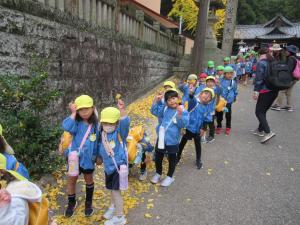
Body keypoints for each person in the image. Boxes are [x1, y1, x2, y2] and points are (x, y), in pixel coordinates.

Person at [62, 95, 99, 217]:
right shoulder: (76, 123)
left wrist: (99, 156)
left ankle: (88, 203)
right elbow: (66, 127)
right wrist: (73, 113)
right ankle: (71, 203)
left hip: (88, 159)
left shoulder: (96, 125)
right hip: (74, 157)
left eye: (86, 109)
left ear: (93, 108)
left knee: (89, 179)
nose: (83, 112)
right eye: (80, 110)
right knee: (71, 180)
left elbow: (99, 141)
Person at [98, 100, 130, 225]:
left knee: (116, 192)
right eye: (105, 123)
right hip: (108, 168)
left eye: (111, 123)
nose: (108, 125)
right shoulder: (102, 134)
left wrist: (122, 111)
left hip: (118, 167)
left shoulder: (119, 133)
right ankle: (113, 207)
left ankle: (119, 216)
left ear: (116, 123)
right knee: (111, 189)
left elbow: (125, 124)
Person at [150, 89, 189, 186]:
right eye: (169, 100)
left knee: (172, 158)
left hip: (173, 139)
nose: (172, 101)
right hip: (162, 137)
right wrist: (157, 101)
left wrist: (180, 115)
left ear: (178, 98)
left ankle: (169, 177)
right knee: (158, 156)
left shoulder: (182, 110)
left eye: (173, 98)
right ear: (166, 102)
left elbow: (182, 125)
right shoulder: (165, 108)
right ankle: (158, 173)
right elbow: (154, 112)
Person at [177, 88, 214, 169]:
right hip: (188, 127)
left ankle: (198, 159)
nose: (206, 96)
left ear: (210, 100)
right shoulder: (195, 103)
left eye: (209, 96)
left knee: (198, 144)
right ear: (200, 94)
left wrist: (203, 129)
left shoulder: (208, 108)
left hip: (198, 129)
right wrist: (191, 93)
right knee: (183, 142)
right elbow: (191, 99)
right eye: (205, 93)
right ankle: (178, 156)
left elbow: (207, 119)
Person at [253, 47, 278, 143]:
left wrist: (256, 91)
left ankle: (268, 132)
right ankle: (260, 130)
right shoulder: (273, 61)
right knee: (263, 111)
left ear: (260, 54)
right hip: (275, 90)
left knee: (259, 112)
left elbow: (259, 78)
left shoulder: (261, 62)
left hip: (265, 90)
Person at [271, 45, 298, 112]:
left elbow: (289, 69)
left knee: (281, 90)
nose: (285, 51)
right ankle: (289, 106)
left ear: (290, 52)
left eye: (287, 50)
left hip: (291, 78)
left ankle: (277, 105)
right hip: (295, 78)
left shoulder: (291, 58)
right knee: (288, 92)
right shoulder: (295, 57)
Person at [216, 66, 238, 135]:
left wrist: (234, 97)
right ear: (224, 74)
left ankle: (228, 127)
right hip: (221, 101)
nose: (230, 75)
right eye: (228, 74)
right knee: (219, 114)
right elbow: (217, 89)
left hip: (228, 101)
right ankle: (219, 126)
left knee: (228, 114)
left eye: (231, 74)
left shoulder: (233, 82)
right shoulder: (220, 80)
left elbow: (235, 90)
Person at [203, 76, 222, 143]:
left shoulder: (215, 89)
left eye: (211, 82)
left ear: (214, 83)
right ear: (206, 83)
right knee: (204, 123)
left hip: (211, 110)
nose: (210, 83)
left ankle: (211, 136)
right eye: (208, 82)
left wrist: (216, 104)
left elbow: (219, 93)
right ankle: (203, 136)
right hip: (204, 110)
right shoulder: (204, 89)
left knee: (211, 123)